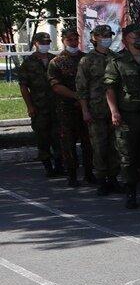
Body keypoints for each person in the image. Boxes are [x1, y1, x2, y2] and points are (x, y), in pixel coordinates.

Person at [104, 23, 140, 208]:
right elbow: (110, 88)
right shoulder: (117, 61)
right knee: (128, 157)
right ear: (125, 38)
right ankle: (131, 194)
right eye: (135, 35)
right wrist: (114, 111)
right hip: (127, 116)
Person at [76, 24, 120, 194]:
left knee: (115, 145)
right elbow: (81, 88)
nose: (107, 38)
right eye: (103, 36)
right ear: (95, 38)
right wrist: (85, 110)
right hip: (96, 110)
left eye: (109, 35)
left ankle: (114, 178)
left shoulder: (115, 57)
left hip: (114, 110)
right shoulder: (87, 60)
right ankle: (102, 180)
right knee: (99, 147)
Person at [47, 29, 94, 187]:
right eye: (69, 40)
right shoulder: (57, 62)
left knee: (89, 143)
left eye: (75, 39)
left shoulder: (86, 59)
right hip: (66, 109)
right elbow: (56, 86)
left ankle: (89, 173)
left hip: (86, 108)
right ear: (63, 41)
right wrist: (76, 96)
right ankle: (72, 175)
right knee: (68, 144)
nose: (73, 42)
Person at [18, 32, 60, 178]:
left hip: (56, 105)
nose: (45, 45)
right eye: (42, 42)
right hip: (39, 106)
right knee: (43, 138)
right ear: (35, 43)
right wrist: (29, 106)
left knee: (59, 136)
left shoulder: (54, 59)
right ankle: (48, 167)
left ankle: (60, 165)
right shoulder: (28, 62)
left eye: (47, 42)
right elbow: (24, 87)